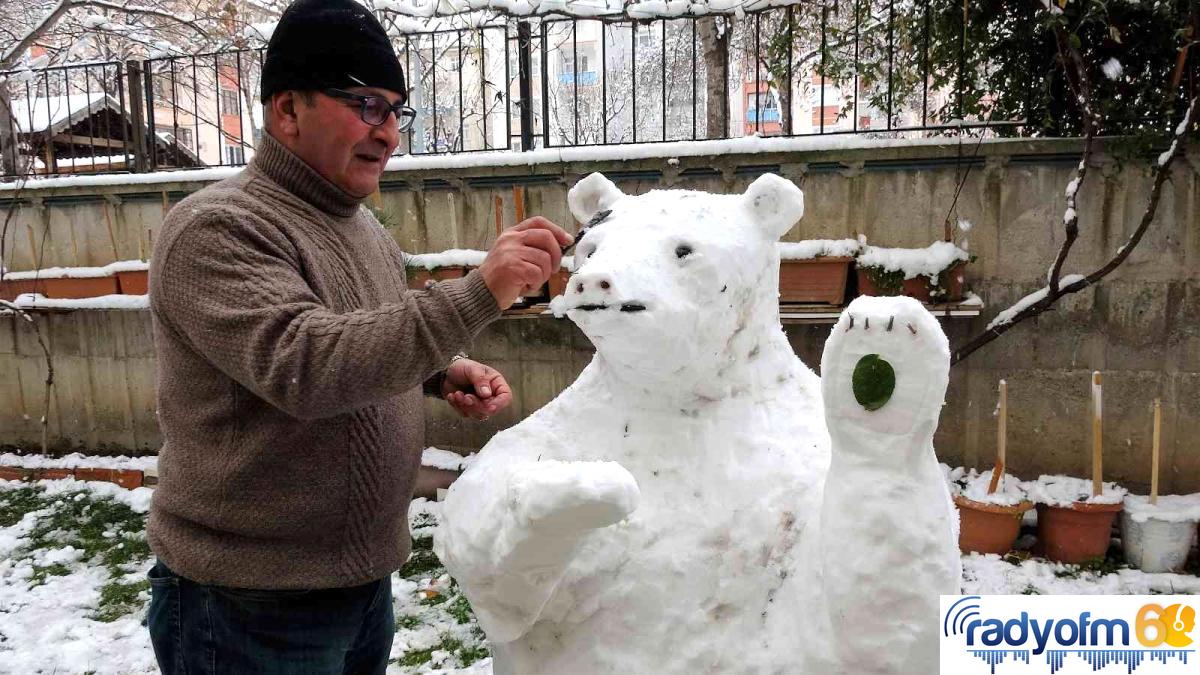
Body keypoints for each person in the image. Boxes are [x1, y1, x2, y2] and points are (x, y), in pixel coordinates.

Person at [143, 0, 572, 672]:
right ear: (287, 109)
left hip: (360, 585)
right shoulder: (217, 228)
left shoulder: (357, 223)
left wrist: (437, 369)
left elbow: (359, 323)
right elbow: (305, 363)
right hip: (247, 602)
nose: (391, 133)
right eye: (368, 105)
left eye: (397, 110)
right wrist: (478, 292)